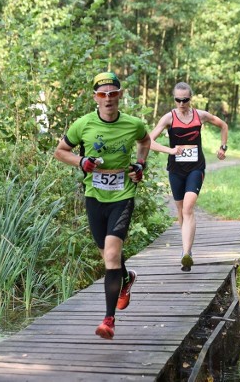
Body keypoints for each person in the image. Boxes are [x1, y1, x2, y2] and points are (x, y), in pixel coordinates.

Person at [54, 72, 151, 340]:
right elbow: (60, 151)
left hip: (122, 196)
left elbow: (145, 141)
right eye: (102, 94)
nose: (107, 99)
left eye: (112, 94)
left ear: (120, 95)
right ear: (95, 98)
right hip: (95, 197)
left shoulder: (133, 124)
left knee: (110, 255)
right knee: (108, 256)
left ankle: (109, 320)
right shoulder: (83, 125)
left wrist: (140, 165)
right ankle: (126, 279)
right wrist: (81, 162)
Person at [149, 82, 228, 272]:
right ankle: (187, 249)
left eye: (185, 100)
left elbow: (223, 125)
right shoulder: (169, 118)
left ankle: (186, 253)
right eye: (178, 100)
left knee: (188, 207)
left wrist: (223, 147)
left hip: (196, 167)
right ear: (174, 99)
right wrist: (170, 150)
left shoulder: (200, 115)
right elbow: (148, 141)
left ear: (190, 98)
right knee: (180, 208)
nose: (182, 103)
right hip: (176, 169)